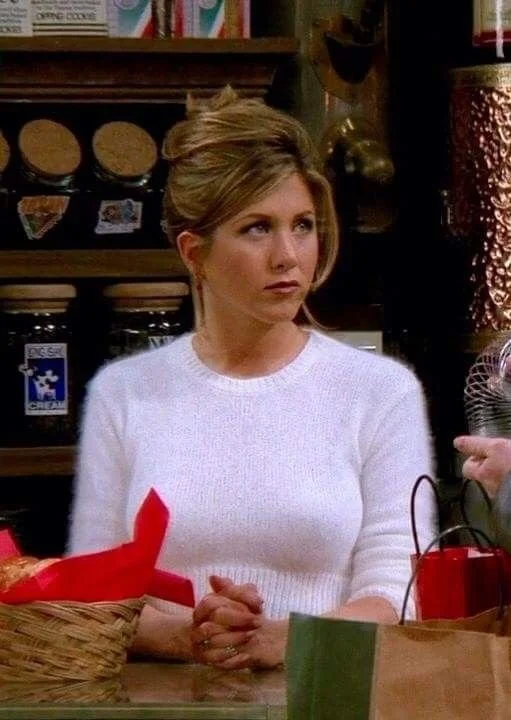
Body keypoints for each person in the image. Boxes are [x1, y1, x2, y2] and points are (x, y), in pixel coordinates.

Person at [68, 87, 436, 671]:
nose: (288, 255)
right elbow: (91, 588)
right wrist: (188, 634)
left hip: (326, 694)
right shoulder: (124, 393)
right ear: (194, 253)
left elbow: (402, 591)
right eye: (257, 229)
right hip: (164, 701)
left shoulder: (380, 391)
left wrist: (292, 639)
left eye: (303, 225)